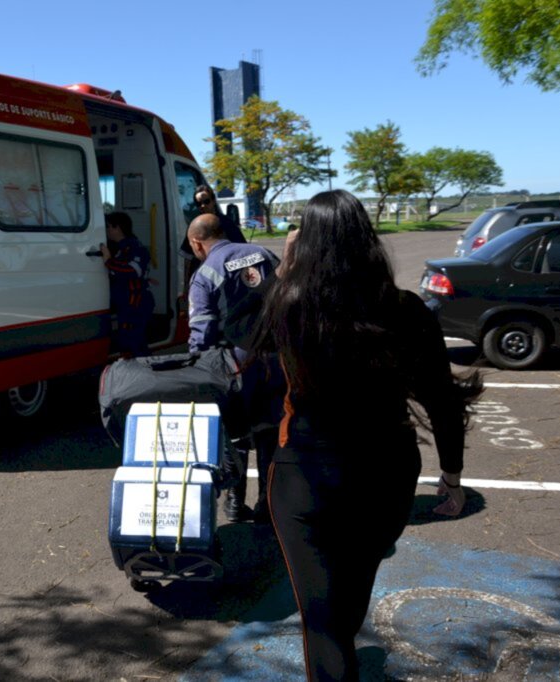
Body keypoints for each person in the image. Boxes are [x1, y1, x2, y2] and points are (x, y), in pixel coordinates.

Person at [253, 190, 482, 681]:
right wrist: (453, 477)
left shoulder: (288, 304)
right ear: (368, 241)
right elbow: (443, 401)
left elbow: (244, 341)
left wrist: (283, 270)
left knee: (322, 621)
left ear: (305, 246)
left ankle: (338, 665)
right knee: (353, 590)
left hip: (308, 476)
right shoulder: (406, 310)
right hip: (387, 472)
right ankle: (343, 659)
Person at [187, 213, 280, 523]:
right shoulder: (265, 254)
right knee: (269, 432)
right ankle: (268, 503)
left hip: (235, 365)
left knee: (236, 434)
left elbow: (202, 331)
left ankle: (235, 504)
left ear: (196, 242)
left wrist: (197, 368)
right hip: (276, 357)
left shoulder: (205, 273)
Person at [101, 212, 154, 357]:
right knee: (127, 341)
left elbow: (132, 271)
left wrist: (108, 261)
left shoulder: (134, 247)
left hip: (136, 304)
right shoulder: (120, 248)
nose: (107, 230)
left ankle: (143, 374)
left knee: (134, 342)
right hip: (127, 304)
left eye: (109, 227)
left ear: (117, 228)